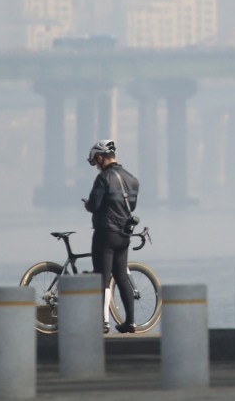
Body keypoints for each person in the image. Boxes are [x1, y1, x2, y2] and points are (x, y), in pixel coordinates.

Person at [83, 139, 140, 334]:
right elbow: (131, 206)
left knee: (102, 278)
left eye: (95, 162)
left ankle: (102, 322)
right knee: (121, 277)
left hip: (105, 234)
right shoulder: (133, 179)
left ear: (100, 157)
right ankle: (130, 322)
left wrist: (87, 205)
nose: (96, 166)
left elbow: (94, 205)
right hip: (124, 235)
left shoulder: (103, 178)